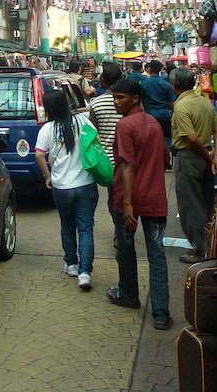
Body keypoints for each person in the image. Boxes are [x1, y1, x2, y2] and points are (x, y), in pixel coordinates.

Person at [106, 79, 172, 331]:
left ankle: (129, 295)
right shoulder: (153, 123)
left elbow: (127, 164)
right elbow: (166, 159)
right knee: (157, 255)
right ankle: (161, 313)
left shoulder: (125, 125)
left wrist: (127, 203)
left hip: (130, 200)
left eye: (121, 97)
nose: (116, 102)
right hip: (155, 199)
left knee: (126, 249)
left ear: (135, 98)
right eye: (115, 97)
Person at [35, 89, 98, 291]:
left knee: (67, 225)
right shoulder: (83, 121)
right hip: (86, 184)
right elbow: (94, 142)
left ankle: (71, 264)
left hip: (62, 186)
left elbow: (39, 155)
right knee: (86, 228)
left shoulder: (47, 129)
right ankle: (85, 273)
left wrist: (48, 176)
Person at [169, 67, 217, 264]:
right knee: (205, 201)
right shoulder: (204, 102)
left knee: (190, 205)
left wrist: (211, 158)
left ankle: (199, 249)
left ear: (174, 86)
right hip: (204, 154)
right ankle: (209, 244)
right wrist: (215, 155)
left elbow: (190, 137)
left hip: (190, 157)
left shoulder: (181, 106)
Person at [140, 60, 176, 149]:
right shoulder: (166, 84)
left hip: (150, 114)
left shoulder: (143, 84)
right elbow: (172, 103)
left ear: (150, 68)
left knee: (151, 140)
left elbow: (140, 101)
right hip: (165, 114)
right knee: (167, 138)